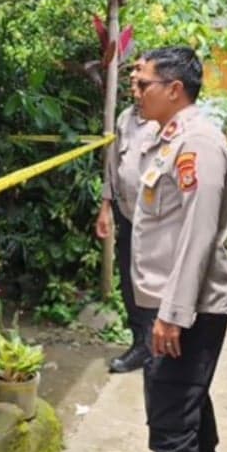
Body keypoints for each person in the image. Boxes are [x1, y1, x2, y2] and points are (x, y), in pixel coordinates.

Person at [130, 46, 227, 452]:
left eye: (143, 84)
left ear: (174, 89)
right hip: (165, 305)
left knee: (171, 429)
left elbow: (198, 233)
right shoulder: (168, 139)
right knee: (186, 407)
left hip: (185, 311)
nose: (136, 92)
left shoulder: (198, 144)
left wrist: (173, 314)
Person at [95, 55, 157, 373]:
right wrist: (105, 207)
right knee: (130, 281)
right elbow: (112, 166)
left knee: (155, 282)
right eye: (132, 69)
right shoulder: (125, 118)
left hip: (158, 221)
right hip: (127, 215)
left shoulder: (165, 120)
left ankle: (157, 344)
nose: (133, 75)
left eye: (140, 70)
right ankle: (140, 343)